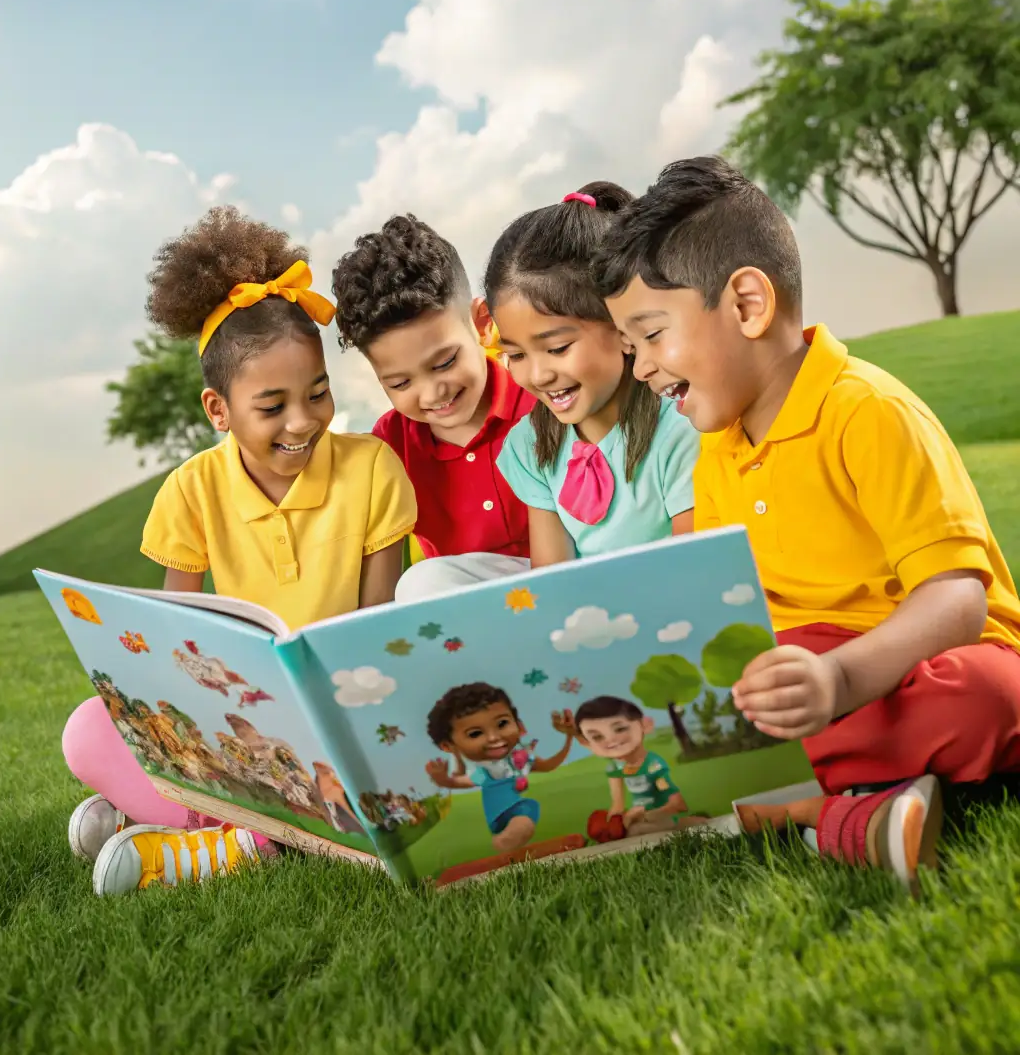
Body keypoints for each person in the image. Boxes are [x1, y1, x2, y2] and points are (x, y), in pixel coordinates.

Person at [596, 154, 1020, 890]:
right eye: (630, 348)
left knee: (993, 696)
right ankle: (855, 809)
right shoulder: (715, 449)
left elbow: (958, 599)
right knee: (716, 708)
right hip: (804, 671)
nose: (640, 368)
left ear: (748, 305)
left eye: (653, 335)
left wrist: (841, 678)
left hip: (923, 660)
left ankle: (787, 804)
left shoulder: (867, 411)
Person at [62, 206, 417, 896]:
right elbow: (176, 644)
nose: (303, 421)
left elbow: (376, 630)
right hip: (240, 726)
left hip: (347, 713)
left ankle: (208, 835)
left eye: (317, 393)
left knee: (372, 762)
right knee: (87, 731)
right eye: (273, 405)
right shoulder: (190, 491)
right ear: (218, 410)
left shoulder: (372, 468)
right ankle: (233, 823)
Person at [486, 185, 701, 568]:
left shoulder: (681, 432)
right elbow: (552, 577)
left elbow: (693, 569)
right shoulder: (531, 444)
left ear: (622, 329)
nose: (537, 375)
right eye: (516, 354)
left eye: (557, 349)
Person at [331, 214, 534, 603]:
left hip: (565, 577)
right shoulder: (389, 446)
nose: (432, 393)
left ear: (482, 323)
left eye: (444, 363)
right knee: (420, 583)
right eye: (400, 383)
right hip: (464, 612)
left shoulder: (536, 398)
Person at [424, 682, 574, 852]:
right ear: (448, 745)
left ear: (517, 723)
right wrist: (441, 779)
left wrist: (569, 737)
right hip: (501, 813)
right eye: (475, 734)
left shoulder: (522, 758)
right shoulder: (485, 770)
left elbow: (549, 765)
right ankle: (504, 843)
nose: (494, 737)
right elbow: (460, 782)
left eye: (502, 724)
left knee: (527, 812)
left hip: (517, 809)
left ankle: (510, 846)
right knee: (526, 815)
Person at [572, 695, 707, 842]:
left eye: (620, 729)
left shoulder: (652, 766)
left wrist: (644, 813)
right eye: (597, 737)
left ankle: (689, 822)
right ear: (585, 742)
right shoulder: (615, 768)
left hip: (657, 816)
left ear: (645, 725)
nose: (610, 740)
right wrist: (612, 823)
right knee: (628, 832)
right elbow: (618, 805)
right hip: (638, 819)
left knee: (637, 831)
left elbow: (677, 804)